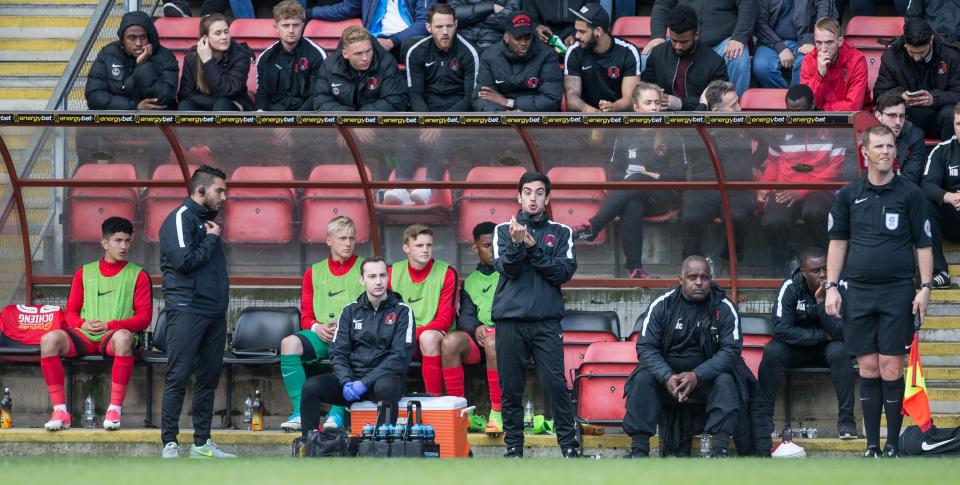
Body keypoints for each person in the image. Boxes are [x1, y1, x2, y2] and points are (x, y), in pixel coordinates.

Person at [826, 124, 934, 458]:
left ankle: (891, 444)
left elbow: (924, 244)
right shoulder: (848, 195)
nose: (887, 151)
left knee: (891, 367)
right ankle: (871, 446)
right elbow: (837, 242)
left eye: (891, 146)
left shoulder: (910, 193)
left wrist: (926, 287)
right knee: (868, 367)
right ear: (865, 151)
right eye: (880, 146)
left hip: (898, 291)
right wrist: (831, 286)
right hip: (858, 291)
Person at [493, 171, 580, 458]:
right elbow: (508, 269)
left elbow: (562, 273)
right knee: (511, 387)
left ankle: (569, 447)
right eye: (527, 192)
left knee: (556, 384)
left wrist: (532, 246)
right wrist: (518, 244)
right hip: (510, 320)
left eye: (539, 192)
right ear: (518, 197)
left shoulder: (562, 232)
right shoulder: (503, 231)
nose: (533, 198)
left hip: (546, 321)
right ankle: (514, 447)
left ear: (547, 198)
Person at [39, 217, 151, 432]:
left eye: (127, 241)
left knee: (124, 338)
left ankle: (114, 410)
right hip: (84, 335)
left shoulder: (138, 275)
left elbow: (144, 318)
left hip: (114, 336)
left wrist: (110, 326)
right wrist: (83, 323)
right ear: (105, 243)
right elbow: (70, 312)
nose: (124, 246)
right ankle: (60, 411)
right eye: (118, 240)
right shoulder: (84, 272)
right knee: (48, 340)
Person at [623, 256, 742, 458]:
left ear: (711, 279)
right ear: (681, 279)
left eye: (704, 277)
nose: (699, 282)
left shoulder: (724, 306)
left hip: (706, 379)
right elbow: (645, 347)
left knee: (726, 381)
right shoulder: (662, 304)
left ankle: (719, 450)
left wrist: (697, 375)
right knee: (642, 379)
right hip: (667, 379)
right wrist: (667, 376)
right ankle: (639, 451)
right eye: (692, 277)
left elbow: (731, 351)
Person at [572, 82, 686, 278]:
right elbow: (614, 172)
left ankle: (594, 226)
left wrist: (649, 175)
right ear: (636, 108)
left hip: (664, 197)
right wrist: (632, 178)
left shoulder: (672, 134)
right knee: (632, 202)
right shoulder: (625, 134)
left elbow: (680, 175)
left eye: (657, 103)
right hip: (632, 196)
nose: (654, 108)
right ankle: (635, 269)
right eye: (648, 103)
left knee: (637, 178)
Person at [159, 165, 234, 459]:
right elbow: (183, 261)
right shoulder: (180, 217)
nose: (224, 197)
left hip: (214, 313)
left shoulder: (207, 223)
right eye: (220, 191)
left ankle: (202, 443)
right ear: (200, 191)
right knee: (178, 376)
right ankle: (169, 443)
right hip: (187, 309)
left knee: (208, 378)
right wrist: (212, 239)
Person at [299, 256, 414, 435]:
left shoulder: (403, 311)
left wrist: (365, 382)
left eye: (383, 276)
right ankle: (309, 444)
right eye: (372, 276)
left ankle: (381, 449)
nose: (378, 281)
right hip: (352, 381)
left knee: (386, 388)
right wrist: (346, 381)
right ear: (362, 280)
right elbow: (338, 352)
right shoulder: (350, 311)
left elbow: (399, 357)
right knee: (311, 387)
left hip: (384, 381)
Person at [757, 247, 857, 443]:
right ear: (803, 272)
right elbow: (781, 329)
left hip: (828, 349)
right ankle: (764, 421)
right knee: (772, 351)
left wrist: (821, 304)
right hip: (798, 348)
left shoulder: (840, 288)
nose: (823, 274)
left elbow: (844, 333)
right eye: (816, 270)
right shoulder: (790, 287)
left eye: (825, 268)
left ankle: (846, 422)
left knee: (841, 352)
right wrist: (820, 335)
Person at [278, 216, 364, 432]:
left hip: (354, 337)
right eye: (342, 238)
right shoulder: (313, 272)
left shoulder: (366, 268)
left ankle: (338, 413)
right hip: (322, 335)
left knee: (354, 347)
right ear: (328, 240)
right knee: (289, 344)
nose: (348, 243)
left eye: (352, 238)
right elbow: (306, 315)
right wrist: (318, 327)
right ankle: (300, 412)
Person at [758, 86, 846, 274]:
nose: (794, 116)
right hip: (786, 187)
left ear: (813, 105)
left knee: (814, 212)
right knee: (773, 219)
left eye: (799, 111)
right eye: (790, 111)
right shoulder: (780, 129)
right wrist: (765, 188)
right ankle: (781, 265)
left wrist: (801, 192)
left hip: (820, 189)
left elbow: (835, 170)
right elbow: (773, 162)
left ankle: (825, 262)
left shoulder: (832, 126)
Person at [680, 80, 758, 270]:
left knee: (736, 215)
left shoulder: (745, 127)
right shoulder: (698, 131)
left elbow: (766, 144)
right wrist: (701, 105)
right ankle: (691, 265)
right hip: (703, 188)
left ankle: (730, 258)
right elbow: (689, 127)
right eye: (733, 106)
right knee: (691, 217)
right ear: (714, 112)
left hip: (737, 190)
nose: (739, 110)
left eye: (738, 103)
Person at [440, 222, 504, 434]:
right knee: (450, 341)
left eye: (496, 244)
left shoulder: (513, 273)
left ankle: (497, 413)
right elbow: (465, 315)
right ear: (475, 248)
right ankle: (460, 413)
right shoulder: (470, 282)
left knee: (494, 340)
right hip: (481, 342)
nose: (493, 250)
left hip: (507, 339)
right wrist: (476, 327)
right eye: (487, 245)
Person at [387, 224, 458, 397]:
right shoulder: (391, 272)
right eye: (419, 245)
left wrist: (412, 334)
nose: (425, 250)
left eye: (429, 245)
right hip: (403, 336)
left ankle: (433, 399)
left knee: (428, 337)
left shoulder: (447, 272)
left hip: (434, 336)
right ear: (406, 247)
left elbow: (444, 320)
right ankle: (387, 401)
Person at [873, 17, 960, 142]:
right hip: (907, 116)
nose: (917, 58)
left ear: (931, 40)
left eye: (922, 52)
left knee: (950, 114)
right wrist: (900, 96)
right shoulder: (891, 56)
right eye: (912, 52)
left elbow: (958, 92)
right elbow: (879, 94)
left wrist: (934, 98)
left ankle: (951, 157)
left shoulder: (951, 55)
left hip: (940, 114)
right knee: (891, 112)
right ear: (905, 43)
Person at [645, 0, 757, 96]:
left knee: (738, 59)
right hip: (683, 38)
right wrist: (658, 36)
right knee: (648, 55)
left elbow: (748, 4)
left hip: (723, 41)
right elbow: (662, 5)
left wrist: (738, 37)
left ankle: (730, 109)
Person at [640, 4, 728, 111]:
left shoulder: (715, 63)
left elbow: (717, 101)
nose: (678, 46)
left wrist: (681, 103)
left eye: (684, 42)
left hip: (698, 120)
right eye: (674, 40)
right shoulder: (658, 53)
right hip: (661, 117)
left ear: (696, 35)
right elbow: (643, 87)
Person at [85, 10, 178, 110]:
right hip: (117, 120)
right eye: (132, 38)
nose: (138, 43)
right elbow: (94, 96)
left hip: (156, 119)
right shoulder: (108, 54)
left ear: (150, 38)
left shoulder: (165, 57)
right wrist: (134, 107)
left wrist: (143, 65)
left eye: (143, 37)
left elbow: (164, 97)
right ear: (123, 40)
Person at [473, 11, 563, 112]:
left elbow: (552, 99)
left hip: (535, 116)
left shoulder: (547, 54)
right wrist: (503, 114)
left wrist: (510, 103)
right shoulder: (490, 55)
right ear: (507, 37)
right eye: (518, 38)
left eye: (527, 37)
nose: (524, 43)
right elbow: (481, 97)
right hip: (501, 116)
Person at [563, 3, 641, 113]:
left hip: (619, 118)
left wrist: (613, 107)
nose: (576, 36)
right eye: (576, 30)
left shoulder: (628, 52)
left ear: (598, 31)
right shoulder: (574, 52)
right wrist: (592, 112)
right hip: (584, 119)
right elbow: (572, 98)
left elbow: (630, 99)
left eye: (582, 31)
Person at [312, 25, 408, 111]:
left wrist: (363, 120)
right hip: (341, 124)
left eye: (369, 51)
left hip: (377, 125)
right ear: (345, 54)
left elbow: (395, 100)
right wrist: (350, 120)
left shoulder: (387, 63)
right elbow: (321, 101)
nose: (365, 58)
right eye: (358, 53)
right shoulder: (329, 66)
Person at [255, 0, 328, 112]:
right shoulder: (266, 57)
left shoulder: (317, 54)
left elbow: (317, 95)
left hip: (307, 118)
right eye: (285, 25)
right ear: (276, 27)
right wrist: (261, 113)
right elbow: (263, 92)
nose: (291, 30)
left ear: (303, 26)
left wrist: (293, 121)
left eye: (296, 25)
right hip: (274, 117)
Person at [406, 3, 480, 112]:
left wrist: (444, 122)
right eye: (439, 27)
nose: (445, 32)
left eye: (449, 26)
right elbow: (415, 94)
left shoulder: (470, 52)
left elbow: (470, 97)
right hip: (427, 111)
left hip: (459, 113)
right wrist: (428, 121)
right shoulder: (416, 51)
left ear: (455, 24)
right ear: (429, 27)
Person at [307, 0, 433, 61]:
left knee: (413, 46)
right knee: (347, 45)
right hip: (375, 40)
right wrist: (309, 13)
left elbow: (425, 23)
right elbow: (344, 9)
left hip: (405, 40)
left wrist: (392, 41)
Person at [178, 13, 254, 112]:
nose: (224, 37)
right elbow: (185, 94)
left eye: (226, 32)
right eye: (218, 33)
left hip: (233, 106)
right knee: (186, 105)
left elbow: (227, 90)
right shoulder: (192, 57)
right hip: (207, 104)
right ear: (205, 38)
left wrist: (208, 61)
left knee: (222, 105)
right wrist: (212, 101)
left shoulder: (240, 55)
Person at [752, 0, 836, 88]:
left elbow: (826, 14)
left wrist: (813, 40)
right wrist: (779, 47)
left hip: (805, 42)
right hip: (770, 42)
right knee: (762, 67)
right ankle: (786, 98)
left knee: (806, 64)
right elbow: (759, 22)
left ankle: (797, 99)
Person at [922, 102, 960, 289]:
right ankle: (940, 272)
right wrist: (950, 197)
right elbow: (928, 185)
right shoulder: (942, 150)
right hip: (952, 218)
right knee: (925, 202)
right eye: (959, 124)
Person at [798, 16, 868, 112]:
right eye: (819, 42)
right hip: (819, 120)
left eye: (829, 42)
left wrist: (821, 110)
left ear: (840, 41)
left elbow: (853, 107)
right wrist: (820, 75)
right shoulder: (808, 60)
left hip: (853, 120)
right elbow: (807, 104)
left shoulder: (857, 60)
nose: (823, 48)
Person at [874, 90, 926, 186]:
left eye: (901, 116)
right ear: (878, 116)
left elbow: (910, 179)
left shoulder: (915, 136)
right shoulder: (864, 135)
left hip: (900, 196)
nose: (898, 122)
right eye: (892, 116)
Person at [447, 0, 521, 52]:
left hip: (495, 45)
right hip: (464, 44)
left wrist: (473, 18)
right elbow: (452, 16)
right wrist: (491, 7)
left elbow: (509, 20)